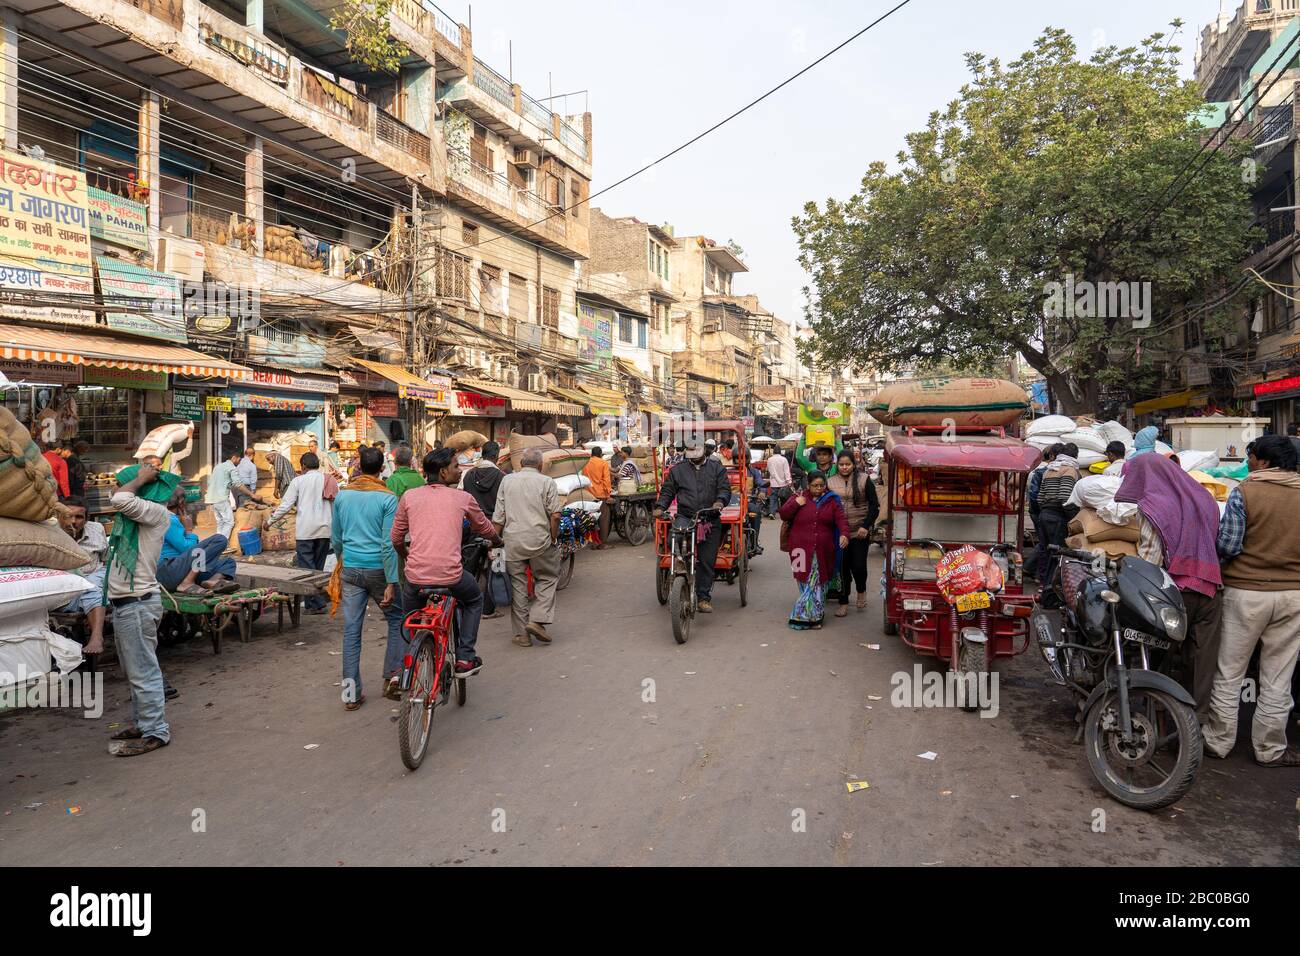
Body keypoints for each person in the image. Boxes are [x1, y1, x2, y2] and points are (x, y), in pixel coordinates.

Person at [1204, 435, 1300, 767]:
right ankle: (1269, 749)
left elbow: (1229, 546)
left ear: (1264, 461)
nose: (1248, 463)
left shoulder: (1245, 492)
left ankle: (1218, 741)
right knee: (1278, 676)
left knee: (1230, 670)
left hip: (1246, 593)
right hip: (1293, 596)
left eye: (1252, 457)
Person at [1115, 452, 1223, 722]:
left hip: (1175, 593)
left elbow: (1151, 559)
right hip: (1210, 589)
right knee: (1201, 664)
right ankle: (1197, 721)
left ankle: (1159, 716)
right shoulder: (1204, 497)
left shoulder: (1153, 505)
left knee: (1158, 657)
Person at [393, 447, 500, 671]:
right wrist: (497, 540)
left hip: (415, 577)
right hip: (451, 576)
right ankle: (465, 656)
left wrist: (407, 556)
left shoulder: (409, 497)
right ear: (443, 472)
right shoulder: (462, 498)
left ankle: (403, 668)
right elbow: (484, 528)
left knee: (409, 617)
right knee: (474, 599)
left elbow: (396, 538)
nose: (460, 470)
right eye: (455, 466)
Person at [103, 461, 176, 756]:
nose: (119, 488)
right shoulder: (134, 520)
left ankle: (156, 731)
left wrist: (142, 477)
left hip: (137, 605)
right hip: (128, 606)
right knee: (135, 671)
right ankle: (144, 723)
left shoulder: (155, 512)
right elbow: (121, 497)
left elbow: (120, 498)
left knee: (143, 672)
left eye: (126, 482)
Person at [331, 446, 403, 711]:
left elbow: (336, 538)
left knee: (352, 630)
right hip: (379, 570)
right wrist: (392, 581)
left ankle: (351, 694)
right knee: (397, 619)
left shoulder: (343, 495)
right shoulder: (388, 498)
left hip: (350, 568)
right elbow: (388, 544)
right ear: (382, 468)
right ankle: (392, 677)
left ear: (359, 466)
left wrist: (342, 560)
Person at [493, 447, 564, 647]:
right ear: (540, 465)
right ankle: (537, 620)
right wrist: (553, 537)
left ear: (521, 463)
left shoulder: (507, 481)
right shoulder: (547, 482)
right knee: (548, 578)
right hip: (540, 541)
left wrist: (494, 543)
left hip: (513, 542)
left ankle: (521, 635)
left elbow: (498, 517)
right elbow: (556, 515)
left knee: (519, 587)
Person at [654, 439, 731, 613]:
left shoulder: (716, 468)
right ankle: (681, 562)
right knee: (674, 537)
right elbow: (667, 491)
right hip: (686, 516)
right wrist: (660, 507)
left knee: (707, 560)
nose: (694, 454)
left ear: (704, 450)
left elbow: (724, 489)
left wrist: (720, 501)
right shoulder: (678, 470)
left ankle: (703, 598)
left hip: (709, 518)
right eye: (690, 451)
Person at [779, 472, 849, 630]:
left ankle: (807, 617)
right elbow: (783, 514)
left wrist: (844, 534)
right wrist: (796, 504)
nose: (818, 489)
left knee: (816, 583)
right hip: (798, 549)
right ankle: (813, 614)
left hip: (823, 550)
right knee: (803, 581)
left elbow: (841, 519)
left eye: (821, 485)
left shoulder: (832, 500)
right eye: (815, 486)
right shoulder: (799, 497)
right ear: (808, 485)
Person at [271, 451, 333, 613]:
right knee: (317, 569)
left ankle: (317, 603)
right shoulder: (329, 480)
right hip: (325, 530)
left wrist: (270, 521)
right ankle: (312, 604)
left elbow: (285, 505)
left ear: (303, 466)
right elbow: (336, 504)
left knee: (307, 570)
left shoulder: (298, 481)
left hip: (306, 531)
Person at [826, 451, 880, 616]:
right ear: (837, 465)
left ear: (853, 464)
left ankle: (861, 591)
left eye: (847, 464)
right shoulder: (830, 481)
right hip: (839, 533)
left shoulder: (864, 479)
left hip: (859, 532)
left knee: (858, 566)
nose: (844, 467)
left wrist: (866, 526)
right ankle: (843, 602)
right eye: (841, 464)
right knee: (842, 568)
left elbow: (874, 506)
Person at [156, 488, 239, 594]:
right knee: (220, 540)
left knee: (228, 562)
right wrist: (189, 530)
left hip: (179, 571)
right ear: (181, 503)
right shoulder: (168, 519)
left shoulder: (167, 517)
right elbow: (188, 549)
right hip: (168, 572)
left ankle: (212, 581)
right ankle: (187, 582)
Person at [55, 497, 108, 655]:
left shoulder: (96, 529)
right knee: (89, 588)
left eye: (79, 517)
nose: (73, 521)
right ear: (58, 516)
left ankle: (96, 637)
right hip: (68, 586)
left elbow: (106, 559)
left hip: (96, 575)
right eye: (68, 516)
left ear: (87, 518)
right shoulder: (50, 533)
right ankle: (96, 636)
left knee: (91, 585)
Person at [1035, 441, 1081, 585]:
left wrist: (1045, 510)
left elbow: (1040, 498)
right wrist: (1072, 517)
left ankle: (1042, 581)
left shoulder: (1050, 470)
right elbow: (1064, 497)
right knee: (1057, 552)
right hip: (1058, 516)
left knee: (1044, 549)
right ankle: (1050, 586)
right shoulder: (1070, 470)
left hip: (1044, 514)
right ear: (1075, 456)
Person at [205, 449, 261, 539]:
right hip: (221, 498)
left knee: (220, 522)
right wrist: (252, 495)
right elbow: (239, 484)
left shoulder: (218, 466)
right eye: (239, 460)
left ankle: (217, 542)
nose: (239, 462)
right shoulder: (231, 468)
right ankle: (222, 543)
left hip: (212, 499)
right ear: (234, 458)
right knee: (229, 522)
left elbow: (210, 482)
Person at [1027, 444, 1057, 585]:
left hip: (1037, 511)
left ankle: (1030, 568)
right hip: (1041, 511)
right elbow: (1035, 496)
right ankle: (1037, 573)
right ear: (1051, 456)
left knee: (1043, 542)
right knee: (1045, 544)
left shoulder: (1035, 470)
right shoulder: (1043, 472)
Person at [582, 446, 613, 549]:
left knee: (590, 519)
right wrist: (608, 495)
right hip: (600, 494)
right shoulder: (603, 463)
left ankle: (593, 542)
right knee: (603, 519)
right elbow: (606, 480)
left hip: (588, 494)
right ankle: (602, 543)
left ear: (592, 454)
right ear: (600, 454)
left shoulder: (586, 463)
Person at [765, 445, 793, 518]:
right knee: (784, 498)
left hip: (774, 483)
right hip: (783, 483)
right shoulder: (784, 459)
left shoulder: (769, 460)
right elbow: (786, 471)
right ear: (780, 452)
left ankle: (772, 512)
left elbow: (769, 470)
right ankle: (784, 513)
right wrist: (789, 481)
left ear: (774, 452)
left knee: (773, 498)